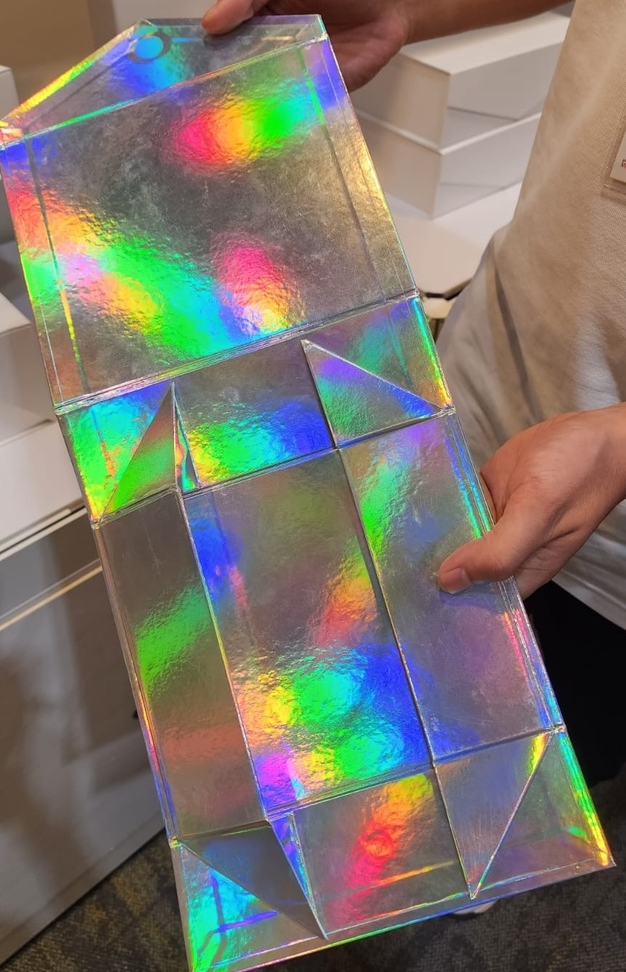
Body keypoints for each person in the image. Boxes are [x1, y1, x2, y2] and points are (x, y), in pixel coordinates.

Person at [203, 0, 626, 787]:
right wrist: (401, 7)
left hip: (607, 558)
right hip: (478, 396)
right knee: (374, 714)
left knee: (524, 776)